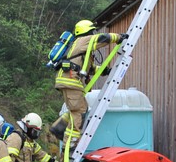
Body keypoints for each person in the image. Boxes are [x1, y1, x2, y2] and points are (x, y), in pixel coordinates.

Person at [49, 20, 127, 149]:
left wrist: (105, 70)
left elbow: (89, 68)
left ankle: (58, 127)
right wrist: (118, 37)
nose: (93, 33)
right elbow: (101, 38)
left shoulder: (80, 48)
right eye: (92, 31)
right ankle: (71, 143)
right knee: (79, 112)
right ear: (87, 31)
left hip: (68, 81)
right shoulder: (83, 41)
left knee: (77, 109)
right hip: (71, 81)